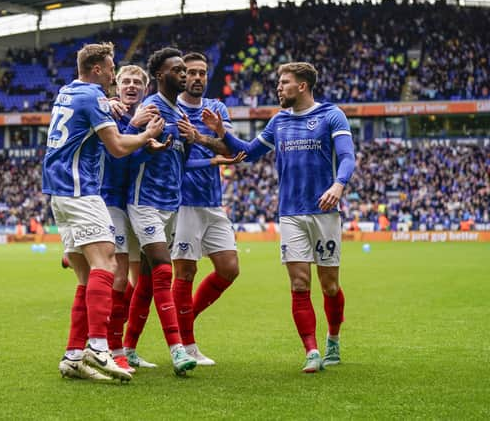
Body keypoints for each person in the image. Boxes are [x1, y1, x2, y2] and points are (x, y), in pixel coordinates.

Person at [199, 62, 355, 373]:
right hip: (291, 213)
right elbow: (249, 152)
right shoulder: (279, 121)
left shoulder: (331, 115)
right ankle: (311, 351)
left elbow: (348, 155)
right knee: (299, 284)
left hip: (324, 211)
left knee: (330, 287)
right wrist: (221, 133)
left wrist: (338, 185)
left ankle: (333, 338)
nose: (278, 88)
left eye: (284, 82)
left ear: (303, 86)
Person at [42, 42, 164, 382]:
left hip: (58, 193)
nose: (113, 74)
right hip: (80, 190)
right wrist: (146, 135)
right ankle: (98, 347)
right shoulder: (93, 96)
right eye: (111, 68)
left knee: (85, 277)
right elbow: (118, 147)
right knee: (107, 264)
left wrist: (109, 108)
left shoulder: (67, 92)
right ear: (97, 69)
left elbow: (89, 119)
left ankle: (73, 355)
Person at [122, 47, 198, 376]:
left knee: (149, 280)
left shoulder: (180, 113)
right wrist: (146, 143)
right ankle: (177, 349)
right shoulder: (151, 109)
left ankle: (129, 347)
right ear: (160, 76)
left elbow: (180, 160)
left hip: (170, 204)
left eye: (185, 69)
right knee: (164, 271)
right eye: (177, 70)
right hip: (144, 201)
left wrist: (193, 141)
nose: (184, 74)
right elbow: (130, 153)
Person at [171, 52, 246, 365]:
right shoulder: (172, 109)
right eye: (191, 72)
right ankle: (187, 345)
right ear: (181, 75)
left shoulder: (216, 108)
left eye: (202, 72)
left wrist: (203, 136)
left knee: (229, 268)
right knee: (185, 272)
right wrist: (211, 149)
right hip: (183, 202)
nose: (198, 77)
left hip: (213, 202)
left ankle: (181, 319)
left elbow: (231, 148)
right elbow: (177, 160)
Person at [100, 64, 165, 372]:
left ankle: (125, 346)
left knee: (142, 282)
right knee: (119, 277)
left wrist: (150, 147)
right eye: (125, 80)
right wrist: (133, 127)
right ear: (116, 86)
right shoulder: (109, 113)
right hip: (110, 199)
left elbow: (133, 161)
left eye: (137, 81)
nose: (131, 85)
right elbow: (115, 158)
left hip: (135, 204)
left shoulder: (146, 118)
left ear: (145, 88)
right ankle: (111, 348)